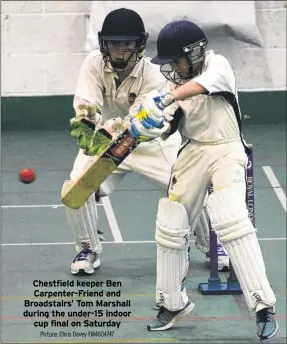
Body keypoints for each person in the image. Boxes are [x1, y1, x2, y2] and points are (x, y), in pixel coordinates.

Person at [130, 20, 278, 340]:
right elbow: (167, 127)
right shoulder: (176, 84)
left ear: (195, 53)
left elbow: (194, 88)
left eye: (176, 62)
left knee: (230, 217)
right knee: (170, 224)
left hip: (226, 150)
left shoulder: (217, 65)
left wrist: (166, 97)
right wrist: (146, 124)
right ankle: (171, 304)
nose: (171, 70)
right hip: (193, 152)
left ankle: (263, 306)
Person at [62, 8, 224, 276]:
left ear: (138, 45)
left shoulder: (155, 75)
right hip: (103, 140)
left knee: (188, 186)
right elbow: (88, 103)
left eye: (126, 44)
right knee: (78, 186)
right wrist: (87, 121)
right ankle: (88, 248)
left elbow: (135, 121)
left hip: (148, 142)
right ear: (105, 44)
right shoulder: (92, 63)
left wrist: (107, 133)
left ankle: (213, 246)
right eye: (114, 44)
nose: (119, 51)